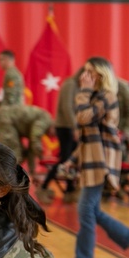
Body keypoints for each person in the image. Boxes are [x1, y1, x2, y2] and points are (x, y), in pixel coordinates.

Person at [65, 57, 129, 258]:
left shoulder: (107, 96)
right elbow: (88, 135)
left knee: (85, 208)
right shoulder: (94, 96)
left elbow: (83, 118)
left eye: (90, 72)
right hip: (91, 158)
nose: (85, 76)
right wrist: (72, 160)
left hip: (102, 160)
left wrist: (83, 90)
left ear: (100, 75)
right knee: (91, 209)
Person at [38, 67, 81, 204]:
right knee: (64, 160)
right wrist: (74, 127)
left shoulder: (77, 86)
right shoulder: (71, 84)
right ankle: (43, 188)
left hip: (71, 126)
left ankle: (69, 191)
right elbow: (67, 107)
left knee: (71, 159)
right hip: (65, 127)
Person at [0, 104, 53, 177]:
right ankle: (1, 178)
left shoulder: (45, 123)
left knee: (22, 154)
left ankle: (5, 178)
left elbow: (31, 150)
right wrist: (41, 156)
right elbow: (35, 138)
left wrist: (32, 172)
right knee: (14, 154)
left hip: (8, 121)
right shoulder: (45, 121)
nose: (52, 136)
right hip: (5, 119)